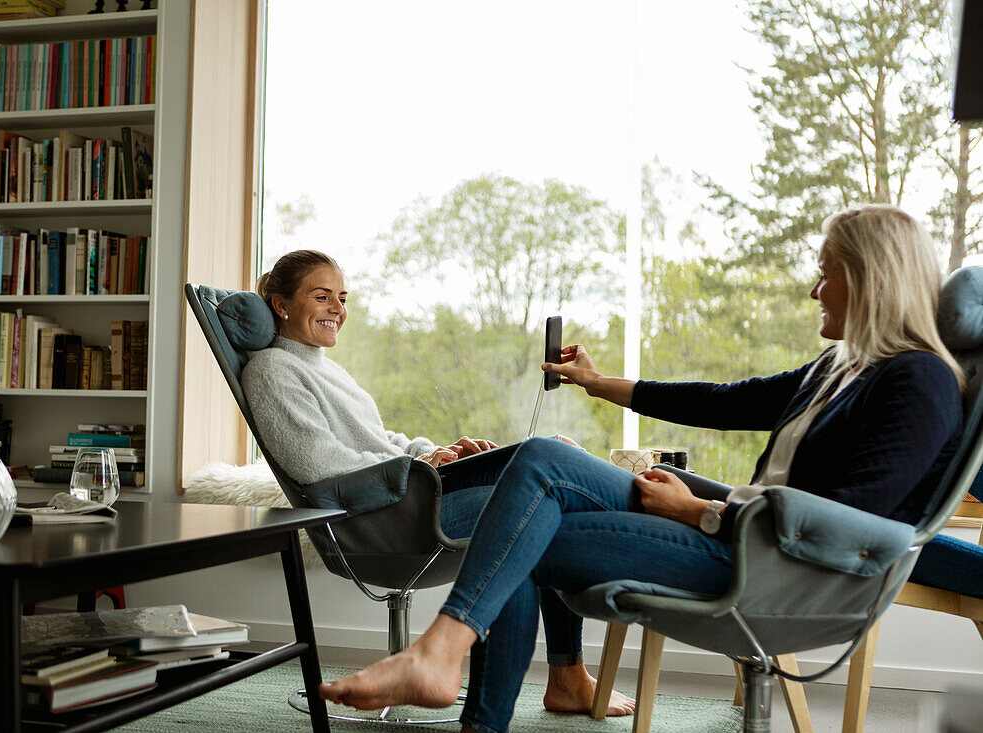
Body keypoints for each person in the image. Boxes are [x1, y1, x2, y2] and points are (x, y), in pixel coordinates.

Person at [318, 204, 966, 733]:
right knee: (542, 473)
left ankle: (440, 660)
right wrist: (601, 385)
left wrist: (702, 510)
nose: (814, 287)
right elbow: (724, 399)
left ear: (872, 276)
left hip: (780, 565)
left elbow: (852, 520)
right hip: (739, 533)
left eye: (826, 273)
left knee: (524, 521)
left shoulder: (921, 380)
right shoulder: (842, 366)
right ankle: (453, 676)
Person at [242, 249, 635, 717]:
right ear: (281, 304)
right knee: (539, 502)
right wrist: (418, 466)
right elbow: (319, 464)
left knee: (548, 454)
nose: (337, 310)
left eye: (342, 298)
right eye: (322, 297)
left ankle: (567, 675)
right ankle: (568, 674)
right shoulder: (270, 370)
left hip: (410, 492)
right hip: (381, 518)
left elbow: (380, 439)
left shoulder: (325, 367)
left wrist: (436, 450)